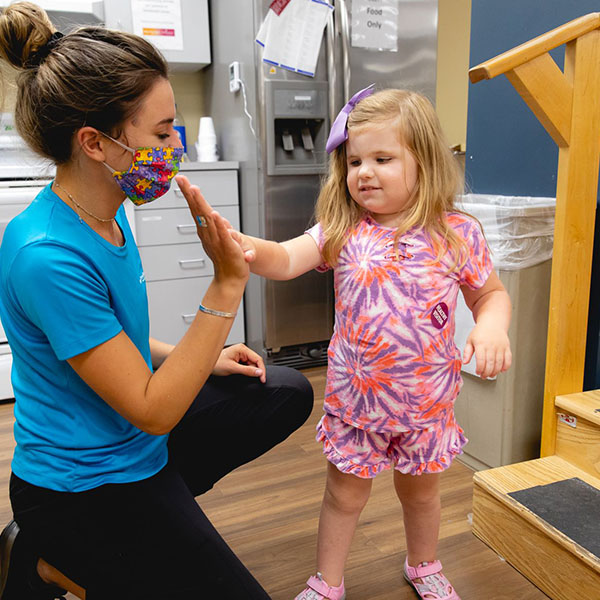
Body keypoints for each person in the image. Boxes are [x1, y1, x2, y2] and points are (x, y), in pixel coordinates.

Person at [0, 3, 313, 599]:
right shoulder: (47, 255)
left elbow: (108, 338)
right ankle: (50, 554)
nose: (176, 147)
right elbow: (153, 411)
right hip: (80, 488)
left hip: (138, 445)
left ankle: (147, 534)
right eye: (164, 132)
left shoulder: (106, 216)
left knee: (282, 390)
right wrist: (226, 284)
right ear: (95, 143)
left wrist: (194, 356)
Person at [230, 86, 512, 600]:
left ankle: (424, 564)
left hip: (427, 403)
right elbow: (286, 258)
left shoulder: (456, 235)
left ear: (423, 162)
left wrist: (492, 326)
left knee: (422, 495)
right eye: (355, 159)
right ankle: (327, 582)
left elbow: (490, 295)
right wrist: (246, 247)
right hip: (356, 403)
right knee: (342, 496)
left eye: (382, 158)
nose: (364, 171)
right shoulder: (342, 229)